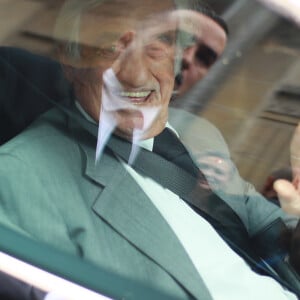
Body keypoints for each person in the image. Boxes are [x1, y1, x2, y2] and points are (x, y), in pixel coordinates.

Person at [0, 0, 300, 299]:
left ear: (178, 61)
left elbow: (265, 222)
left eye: (158, 43)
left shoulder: (199, 133)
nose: (136, 75)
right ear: (71, 61)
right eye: (110, 47)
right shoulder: (20, 175)